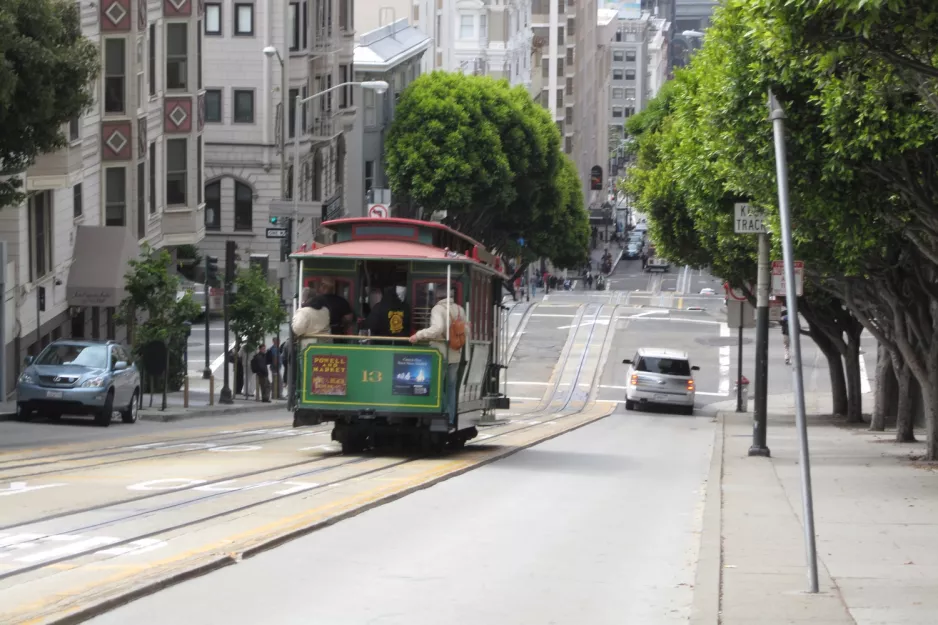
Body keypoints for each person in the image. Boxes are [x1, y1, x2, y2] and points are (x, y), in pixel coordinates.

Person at [409, 289, 467, 427]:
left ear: (438, 297)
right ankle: (450, 418)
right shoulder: (460, 310)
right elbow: (466, 330)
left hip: (440, 355)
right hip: (455, 354)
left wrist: (418, 335)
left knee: (439, 386)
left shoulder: (438, 309)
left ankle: (440, 414)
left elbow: (437, 329)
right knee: (451, 387)